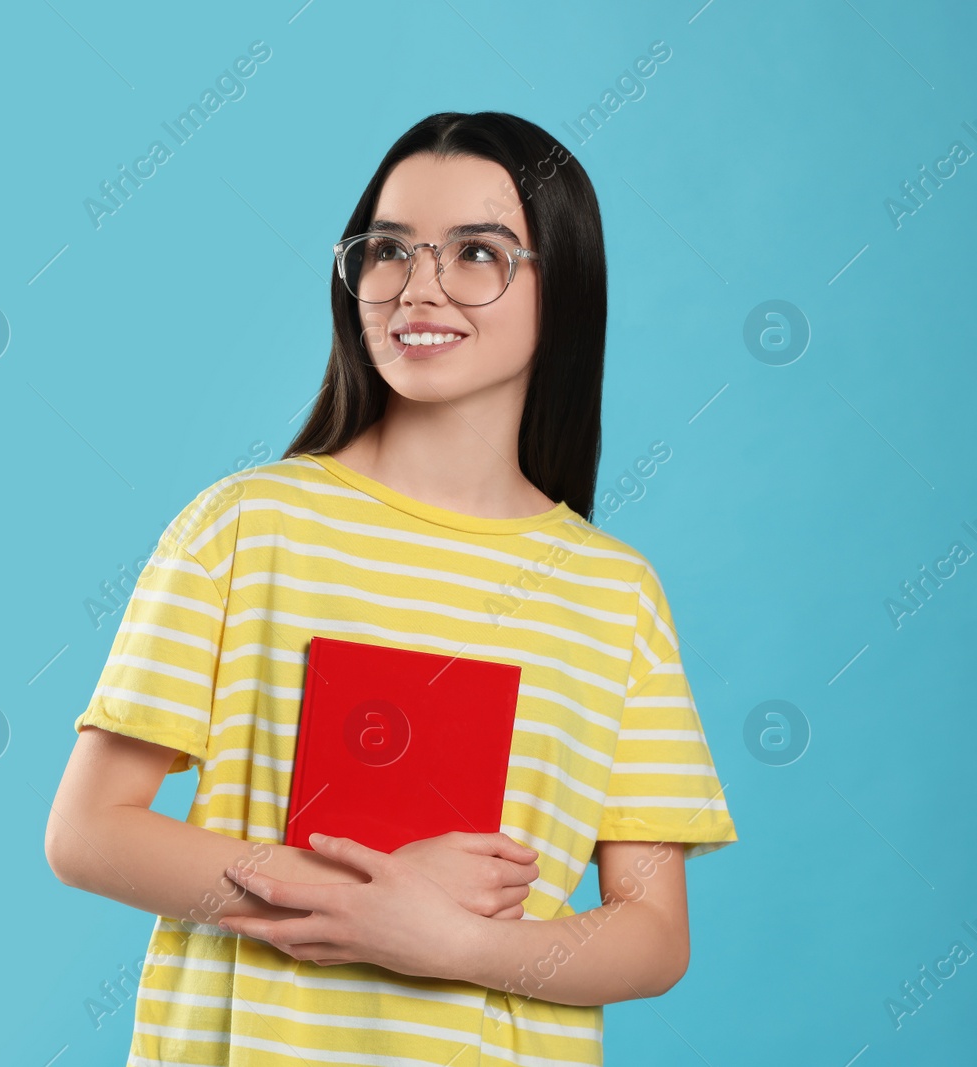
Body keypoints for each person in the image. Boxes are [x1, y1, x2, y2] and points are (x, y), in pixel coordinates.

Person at [45, 110, 737, 1067]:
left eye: (478, 253)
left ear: (564, 287)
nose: (418, 287)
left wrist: (456, 942)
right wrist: (361, 907)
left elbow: (653, 935)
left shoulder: (614, 593)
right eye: (388, 251)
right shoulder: (246, 529)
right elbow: (89, 833)